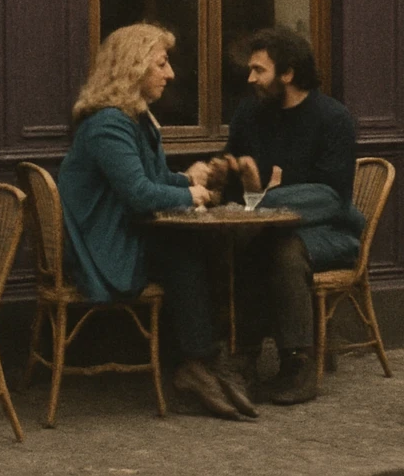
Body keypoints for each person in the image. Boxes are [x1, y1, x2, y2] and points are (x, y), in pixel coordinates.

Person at [58, 23, 256, 421]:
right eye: (161, 64)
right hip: (103, 249)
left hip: (122, 233)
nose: (171, 74)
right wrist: (191, 195)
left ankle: (208, 358)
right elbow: (139, 194)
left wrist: (187, 179)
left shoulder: (133, 120)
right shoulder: (108, 125)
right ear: (133, 68)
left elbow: (153, 179)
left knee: (212, 246)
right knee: (185, 249)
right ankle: (198, 363)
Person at [222, 26, 363, 406]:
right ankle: (243, 356)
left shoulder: (333, 119)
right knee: (246, 243)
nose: (250, 78)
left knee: (283, 249)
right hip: (262, 228)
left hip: (329, 232)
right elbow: (237, 193)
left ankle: (298, 364)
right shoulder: (249, 115)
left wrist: (269, 199)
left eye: (259, 70)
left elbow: (333, 197)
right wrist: (245, 183)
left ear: (287, 73)